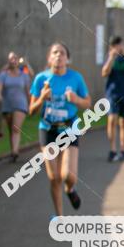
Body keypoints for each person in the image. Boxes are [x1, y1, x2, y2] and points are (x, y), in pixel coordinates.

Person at [29, 42, 91, 216]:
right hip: (48, 129)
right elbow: (31, 110)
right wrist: (41, 97)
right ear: (49, 58)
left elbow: (88, 103)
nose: (58, 55)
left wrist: (76, 100)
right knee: (53, 177)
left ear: (67, 58)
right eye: (55, 52)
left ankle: (70, 190)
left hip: (69, 128)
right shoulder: (41, 79)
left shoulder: (76, 78)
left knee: (69, 176)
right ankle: (59, 216)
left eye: (62, 53)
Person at [0, 52, 32, 162]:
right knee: (11, 129)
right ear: (8, 61)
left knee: (16, 128)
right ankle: (13, 152)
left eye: (15, 58)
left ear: (18, 60)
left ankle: (15, 152)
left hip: (21, 104)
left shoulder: (24, 74)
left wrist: (31, 103)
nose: (13, 60)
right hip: (7, 104)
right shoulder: (4, 74)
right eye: (11, 59)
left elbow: (28, 89)